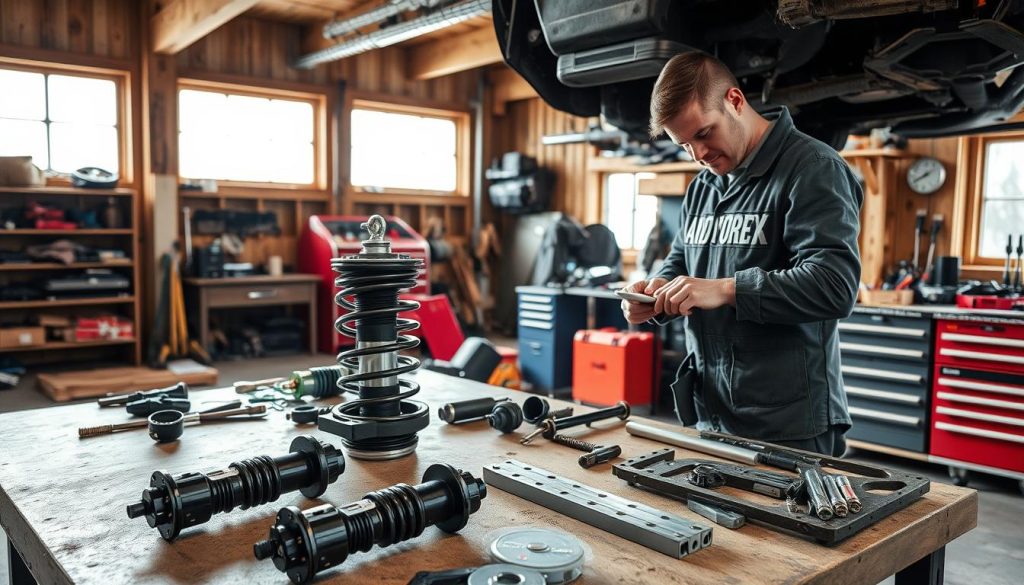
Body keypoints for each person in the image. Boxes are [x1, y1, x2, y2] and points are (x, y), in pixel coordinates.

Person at [621, 51, 863, 457]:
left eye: (703, 134)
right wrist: (657, 291)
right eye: (684, 145)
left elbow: (834, 286)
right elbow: (682, 260)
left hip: (787, 426)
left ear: (735, 101)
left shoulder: (813, 168)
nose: (698, 154)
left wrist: (728, 289)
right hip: (711, 412)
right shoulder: (704, 186)